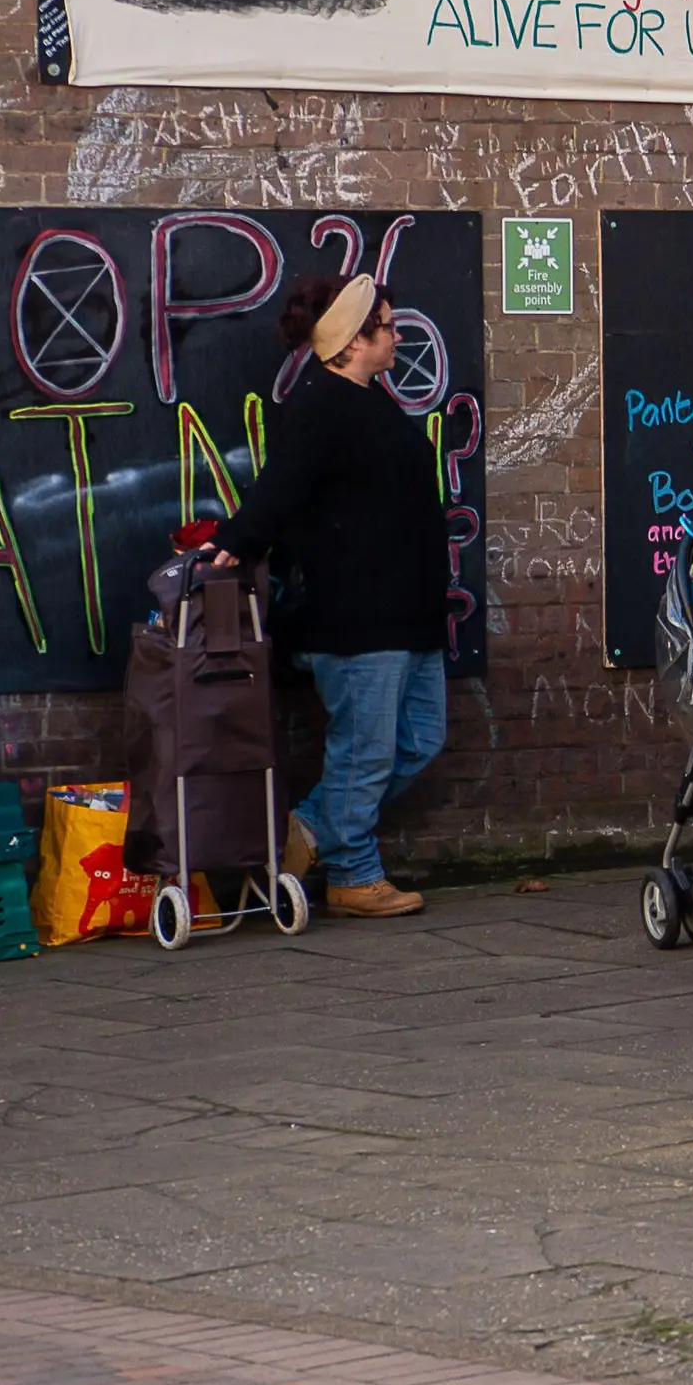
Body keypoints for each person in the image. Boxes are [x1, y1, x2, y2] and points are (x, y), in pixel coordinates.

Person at [215, 273, 452, 920]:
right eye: (387, 324)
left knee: (421, 739)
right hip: (357, 616)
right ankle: (353, 873)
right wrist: (237, 541)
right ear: (353, 341)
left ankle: (313, 828)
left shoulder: (371, 401)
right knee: (366, 750)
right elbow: (279, 487)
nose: (398, 333)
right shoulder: (320, 405)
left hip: (408, 615)